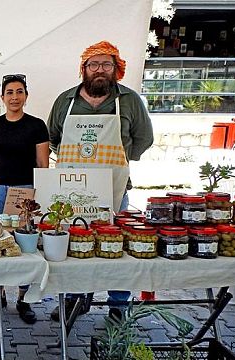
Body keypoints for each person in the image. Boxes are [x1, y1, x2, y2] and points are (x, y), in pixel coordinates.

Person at [47, 41, 154, 321]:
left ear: (116, 69)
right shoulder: (66, 101)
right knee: (72, 248)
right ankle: (71, 299)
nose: (99, 70)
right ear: (84, 69)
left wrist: (120, 160)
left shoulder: (129, 100)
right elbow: (53, 138)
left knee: (117, 245)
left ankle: (118, 303)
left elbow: (144, 139)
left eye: (106, 64)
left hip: (115, 190)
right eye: (93, 65)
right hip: (71, 191)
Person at [0, 74, 50, 324]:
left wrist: (43, 195)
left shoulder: (37, 126)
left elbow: (42, 163)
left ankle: (23, 298)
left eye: (19, 92)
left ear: (26, 96)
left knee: (25, 247)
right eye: (10, 92)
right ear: (2, 97)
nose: (15, 97)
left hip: (25, 192)